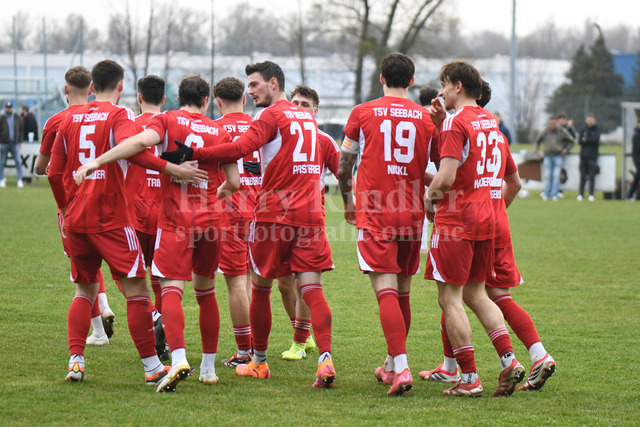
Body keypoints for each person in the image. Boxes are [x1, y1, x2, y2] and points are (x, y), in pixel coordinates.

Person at [160, 60, 337, 389]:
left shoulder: (270, 115)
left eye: (255, 84)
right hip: (312, 213)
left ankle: (257, 361)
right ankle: (325, 358)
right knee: (312, 288)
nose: (250, 91)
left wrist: (196, 153)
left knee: (260, 287)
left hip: (273, 212)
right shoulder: (310, 120)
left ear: (273, 83)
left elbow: (241, 148)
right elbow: (340, 167)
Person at [74, 74, 238, 392]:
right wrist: (215, 196)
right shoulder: (219, 130)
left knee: (171, 288)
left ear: (177, 98)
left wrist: (98, 161)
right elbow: (234, 182)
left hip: (176, 220)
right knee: (206, 294)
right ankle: (208, 369)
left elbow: (137, 144)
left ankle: (178, 359)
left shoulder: (167, 120)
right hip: (211, 222)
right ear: (206, 101)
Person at [48, 59, 205, 385]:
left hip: (76, 216)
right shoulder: (120, 115)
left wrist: (65, 209)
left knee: (84, 289)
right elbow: (132, 151)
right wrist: (171, 168)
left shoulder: (68, 118)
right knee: (137, 291)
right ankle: (152, 367)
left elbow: (52, 172)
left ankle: (76, 360)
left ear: (93, 87)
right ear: (121, 86)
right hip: (112, 216)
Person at [338, 53, 438, 396]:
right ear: (411, 81)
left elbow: (344, 165)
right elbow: (441, 166)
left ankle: (402, 368)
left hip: (376, 212)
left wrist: (347, 201)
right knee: (403, 291)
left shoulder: (362, 112)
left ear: (382, 78)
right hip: (411, 213)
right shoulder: (426, 119)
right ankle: (393, 364)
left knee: (386, 292)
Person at [425, 60, 525, 397]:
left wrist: (428, 198)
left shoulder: (457, 123)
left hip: (457, 221)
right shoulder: (492, 124)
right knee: (476, 294)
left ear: (458, 86)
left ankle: (469, 379)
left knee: (450, 299)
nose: (441, 91)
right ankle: (509, 360)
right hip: (489, 220)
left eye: (444, 84)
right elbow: (514, 182)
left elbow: (446, 176)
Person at [37, 66, 117, 345]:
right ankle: (108, 310)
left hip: (72, 202)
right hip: (105, 199)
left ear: (65, 89)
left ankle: (98, 331)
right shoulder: (105, 116)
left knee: (82, 266)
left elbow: (42, 168)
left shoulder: (57, 120)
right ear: (92, 89)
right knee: (116, 267)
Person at [279, 84, 339, 361]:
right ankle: (303, 333)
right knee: (284, 284)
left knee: (305, 282)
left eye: (305, 105)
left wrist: (352, 203)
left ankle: (299, 342)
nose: (299, 108)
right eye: (295, 104)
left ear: (315, 111)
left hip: (310, 220)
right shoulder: (279, 135)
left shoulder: (324, 140)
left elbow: (344, 173)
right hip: (278, 219)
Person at [120, 74, 169, 360]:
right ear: (164, 98)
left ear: (139, 97)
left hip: (132, 213)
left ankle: (152, 316)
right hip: (164, 214)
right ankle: (164, 332)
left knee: (124, 273)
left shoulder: (129, 126)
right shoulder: (172, 125)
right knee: (161, 280)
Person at [212, 76, 258, 368]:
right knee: (252, 280)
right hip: (262, 209)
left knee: (236, 283)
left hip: (229, 211)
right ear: (244, 98)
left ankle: (245, 351)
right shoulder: (259, 126)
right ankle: (255, 346)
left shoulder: (213, 128)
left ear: (217, 102)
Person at [534, 116, 574, 201]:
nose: (552, 125)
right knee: (547, 176)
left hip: (558, 156)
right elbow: (537, 141)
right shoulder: (546, 131)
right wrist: (537, 151)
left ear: (557, 123)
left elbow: (572, 140)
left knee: (556, 176)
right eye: (550, 123)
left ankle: (554, 195)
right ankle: (546, 194)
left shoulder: (561, 131)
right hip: (547, 156)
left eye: (553, 123)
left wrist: (566, 150)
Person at [577, 113, 601, 202]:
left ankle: (591, 194)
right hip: (583, 156)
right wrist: (587, 139)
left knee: (592, 176)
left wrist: (586, 139)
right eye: (588, 119)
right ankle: (581, 194)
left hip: (592, 157)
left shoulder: (597, 129)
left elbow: (595, 139)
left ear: (594, 120)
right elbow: (580, 141)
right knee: (582, 176)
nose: (590, 121)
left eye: (591, 119)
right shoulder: (583, 129)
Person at [0, 101, 24, 188]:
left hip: (14, 143)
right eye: (7, 108)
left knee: (18, 161)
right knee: (2, 162)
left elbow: (20, 129)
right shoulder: (2, 118)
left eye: (10, 108)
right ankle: (1, 179)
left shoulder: (17, 117)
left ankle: (20, 179)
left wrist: (20, 141)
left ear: (12, 108)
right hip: (4, 143)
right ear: (5, 108)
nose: (8, 109)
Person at [627, 118, 640, 201]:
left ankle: (630, 195)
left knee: (637, 177)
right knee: (637, 177)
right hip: (638, 159)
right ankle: (630, 196)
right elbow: (637, 147)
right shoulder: (636, 135)